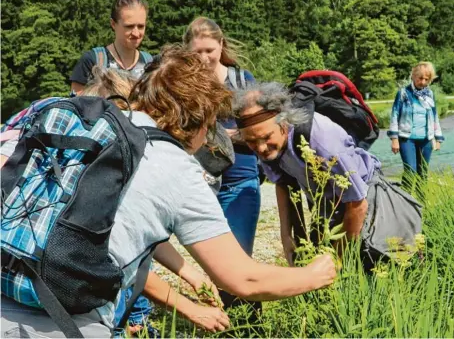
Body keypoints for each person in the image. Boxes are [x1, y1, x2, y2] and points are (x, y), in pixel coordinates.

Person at [1, 48, 337, 338]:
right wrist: (315, 274)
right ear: (200, 120)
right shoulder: (176, 168)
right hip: (65, 322)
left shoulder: (95, 127)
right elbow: (243, 278)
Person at [0, 67, 227, 337]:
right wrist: (189, 308)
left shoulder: (54, 131)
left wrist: (189, 272)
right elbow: (94, 249)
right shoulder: (95, 159)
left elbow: (136, 228)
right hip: (53, 306)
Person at [232, 82, 422, 268]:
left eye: (266, 138)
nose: (261, 148)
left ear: (283, 124)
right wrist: (288, 238)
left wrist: (338, 261)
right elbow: (284, 185)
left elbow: (357, 204)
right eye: (251, 142)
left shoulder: (321, 140)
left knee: (378, 257)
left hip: (365, 196)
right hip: (325, 203)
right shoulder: (265, 143)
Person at [183, 17, 261, 309]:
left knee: (239, 259)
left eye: (209, 51)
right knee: (215, 263)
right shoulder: (185, 85)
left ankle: (249, 324)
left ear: (221, 46)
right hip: (201, 183)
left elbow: (262, 126)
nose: (203, 58)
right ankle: (225, 320)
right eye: (197, 52)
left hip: (241, 179)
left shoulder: (242, 80)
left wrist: (233, 135)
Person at [70, 0, 152, 95]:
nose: (136, 33)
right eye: (129, 26)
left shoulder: (150, 65)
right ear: (113, 24)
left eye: (141, 26)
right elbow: (76, 106)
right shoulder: (92, 61)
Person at [388, 61, 444, 191]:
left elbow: (434, 116)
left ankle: (420, 205)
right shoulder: (403, 93)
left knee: (423, 173)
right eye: (420, 78)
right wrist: (394, 139)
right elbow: (395, 115)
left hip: (426, 139)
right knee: (410, 171)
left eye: (427, 79)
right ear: (413, 76)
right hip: (407, 139)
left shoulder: (430, 94)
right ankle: (405, 201)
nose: (423, 82)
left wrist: (438, 138)